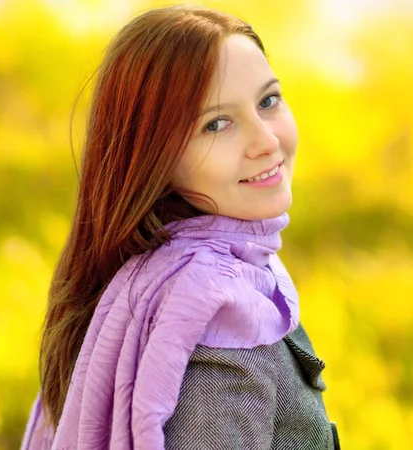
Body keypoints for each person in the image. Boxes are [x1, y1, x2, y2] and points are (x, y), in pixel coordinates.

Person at [20, 5, 340, 450]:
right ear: (156, 158)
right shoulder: (210, 334)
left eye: (268, 100)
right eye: (217, 124)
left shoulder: (177, 276)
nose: (267, 141)